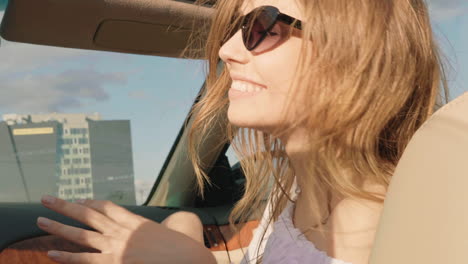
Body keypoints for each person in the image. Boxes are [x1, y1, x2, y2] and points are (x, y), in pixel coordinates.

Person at [36, 0, 448, 263]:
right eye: (235, 27)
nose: (226, 50)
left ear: (357, 51)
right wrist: (182, 226)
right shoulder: (293, 197)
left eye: (261, 25)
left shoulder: (397, 234)